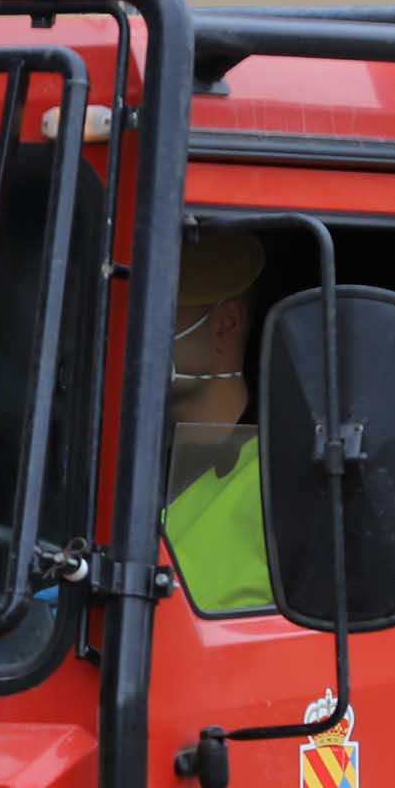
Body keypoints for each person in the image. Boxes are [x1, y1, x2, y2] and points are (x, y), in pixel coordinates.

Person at [160, 227, 272, 611]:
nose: (129, 330)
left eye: (155, 315)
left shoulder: (276, 483)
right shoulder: (115, 454)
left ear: (225, 325)